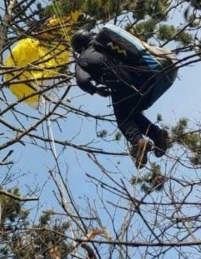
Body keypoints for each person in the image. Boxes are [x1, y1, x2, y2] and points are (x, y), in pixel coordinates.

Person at [72, 29, 169, 166]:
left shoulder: (82, 59)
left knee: (123, 120)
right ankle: (156, 134)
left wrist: (95, 90)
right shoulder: (104, 41)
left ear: (78, 47)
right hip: (139, 77)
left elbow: (82, 81)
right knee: (131, 114)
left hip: (120, 86)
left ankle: (139, 142)